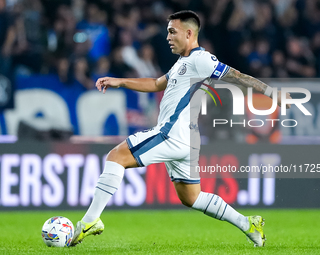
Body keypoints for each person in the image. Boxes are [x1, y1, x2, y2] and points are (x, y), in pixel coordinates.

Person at [71, 10, 291, 248]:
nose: (167, 37)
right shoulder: (182, 63)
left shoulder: (202, 60)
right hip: (186, 140)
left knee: (116, 156)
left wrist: (271, 94)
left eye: (172, 31)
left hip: (171, 133)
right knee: (191, 197)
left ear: (189, 33)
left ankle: (89, 221)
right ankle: (249, 225)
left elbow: (237, 76)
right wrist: (120, 81)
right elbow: (156, 83)